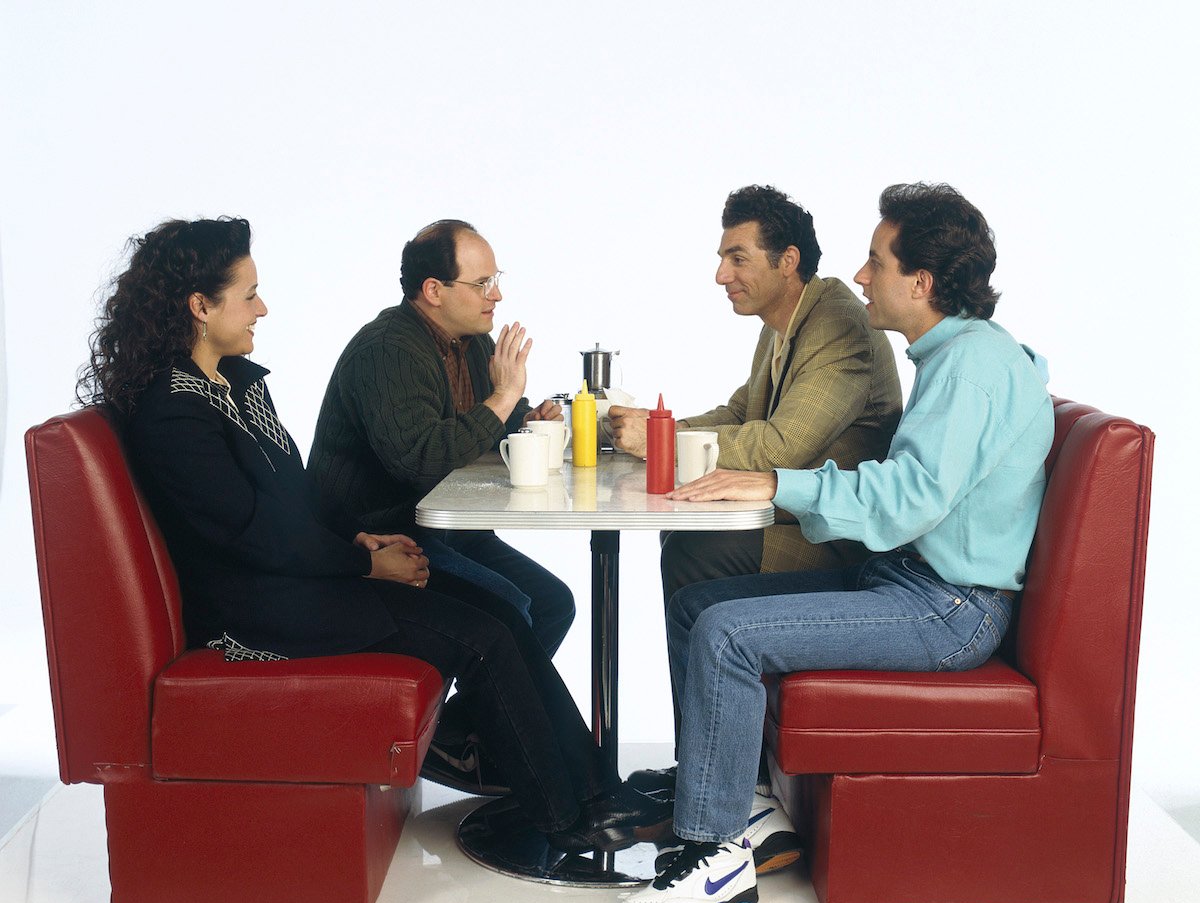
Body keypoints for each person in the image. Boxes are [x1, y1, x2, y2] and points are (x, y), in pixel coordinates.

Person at [76, 217, 669, 859]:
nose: (263, 308)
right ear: (200, 306)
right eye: (248, 295)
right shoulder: (173, 409)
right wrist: (365, 565)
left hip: (306, 576)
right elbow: (250, 535)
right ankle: (564, 817)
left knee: (502, 612)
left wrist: (361, 542)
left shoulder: (237, 384)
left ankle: (595, 791)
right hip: (258, 611)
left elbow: (293, 505)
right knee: (487, 635)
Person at [615, 184, 1054, 903]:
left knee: (728, 632)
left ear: (921, 281)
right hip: (913, 582)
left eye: (876, 261)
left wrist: (777, 481)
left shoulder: (973, 366)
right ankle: (741, 801)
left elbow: (911, 497)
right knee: (699, 606)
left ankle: (713, 855)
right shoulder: (953, 356)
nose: (859, 275)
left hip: (947, 607)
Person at [612, 185, 903, 795]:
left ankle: (714, 778)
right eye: (723, 258)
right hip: (790, 519)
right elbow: (741, 412)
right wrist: (651, 431)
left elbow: (777, 448)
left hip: (834, 538)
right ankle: (705, 768)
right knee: (684, 541)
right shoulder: (783, 323)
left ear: (787, 261)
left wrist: (659, 444)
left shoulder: (840, 325)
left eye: (738, 258)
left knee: (694, 551)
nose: (722, 274)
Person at [309, 220, 575, 793]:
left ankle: (458, 739)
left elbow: (486, 423)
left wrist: (527, 418)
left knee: (553, 603)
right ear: (434, 290)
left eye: (496, 280)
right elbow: (423, 460)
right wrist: (503, 400)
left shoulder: (470, 341)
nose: (496, 295)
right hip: (381, 538)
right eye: (482, 284)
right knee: (514, 606)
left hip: (448, 526)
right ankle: (525, 758)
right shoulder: (389, 350)